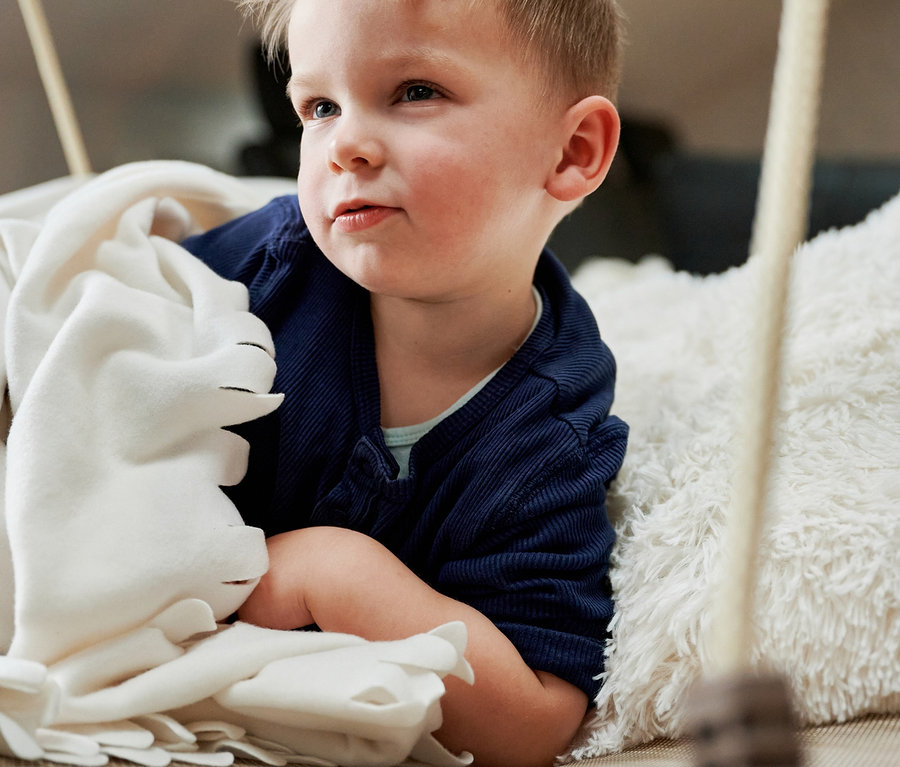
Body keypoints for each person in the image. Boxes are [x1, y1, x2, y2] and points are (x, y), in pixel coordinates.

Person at [182, 1, 628, 764]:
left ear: (570, 151)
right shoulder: (267, 268)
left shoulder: (548, 434)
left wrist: (339, 577)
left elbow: (536, 718)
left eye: (415, 90)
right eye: (320, 106)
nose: (345, 144)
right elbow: (86, 355)